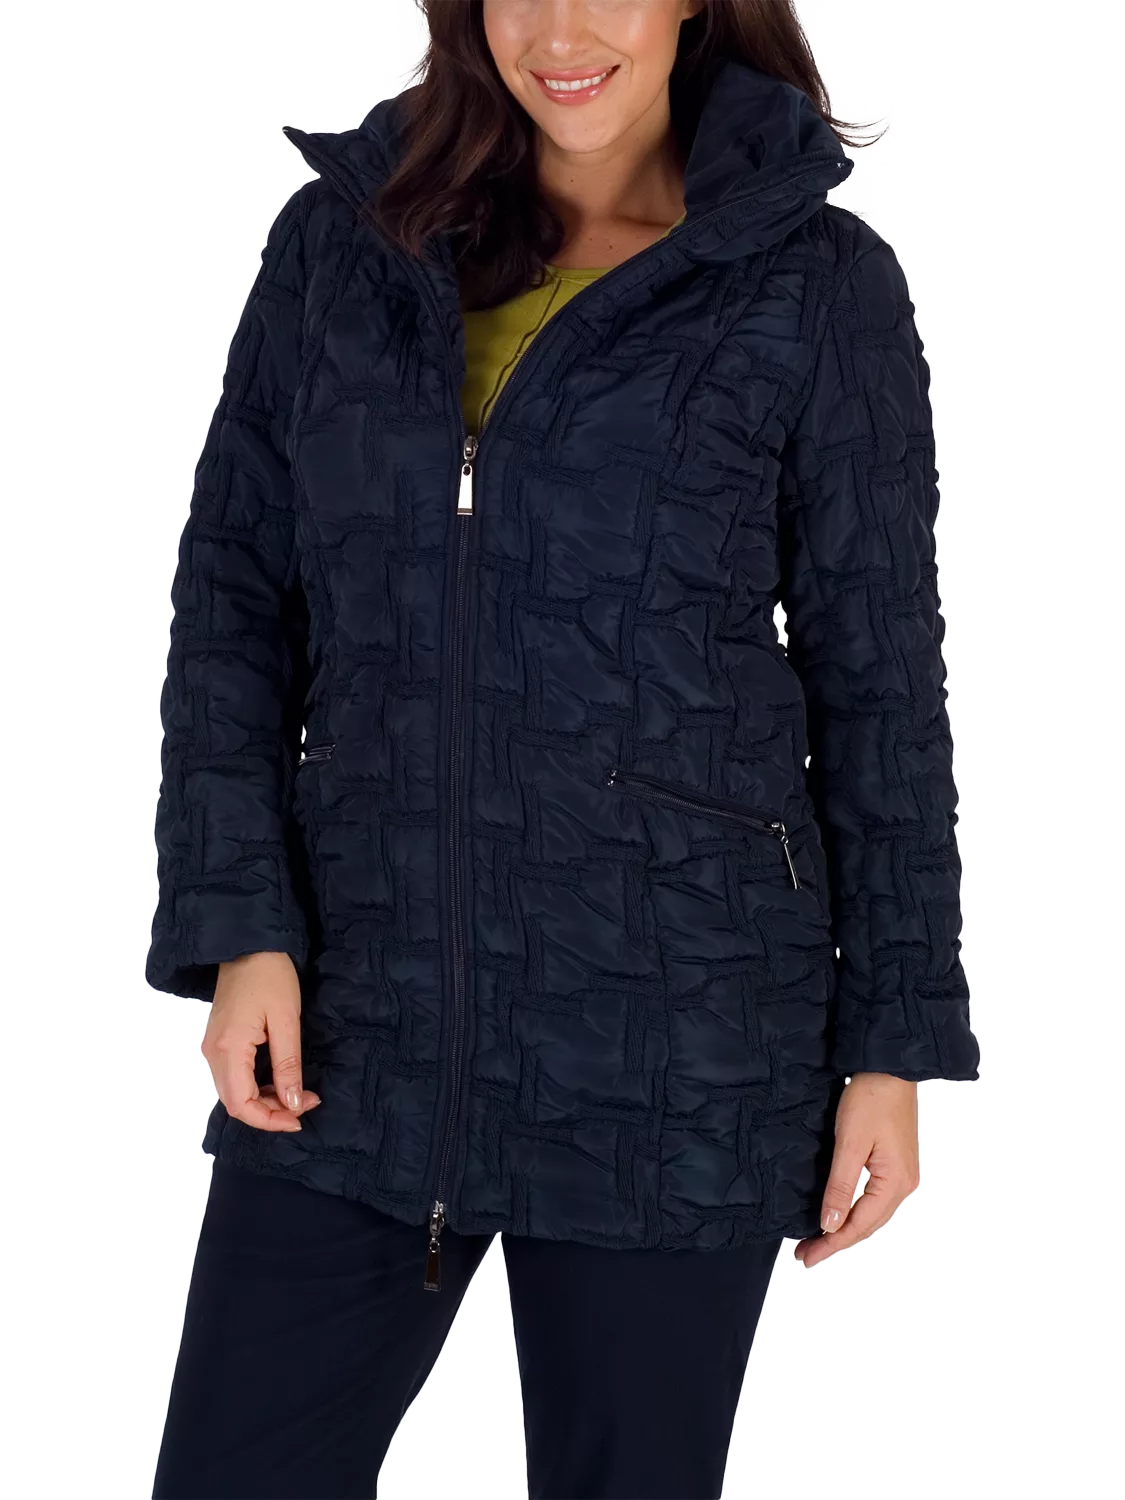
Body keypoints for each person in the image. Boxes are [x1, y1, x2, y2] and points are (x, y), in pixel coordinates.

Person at [146, 1, 980, 1496]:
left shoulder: (814, 284)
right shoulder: (343, 243)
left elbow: (881, 687)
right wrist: (241, 928)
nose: (562, 28)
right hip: (358, 1026)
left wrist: (892, 1044)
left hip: (684, 1043)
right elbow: (232, 605)